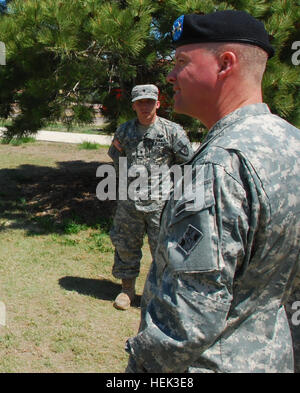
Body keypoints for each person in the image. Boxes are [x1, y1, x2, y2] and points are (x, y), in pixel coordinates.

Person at [125, 10, 300, 372]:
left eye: (182, 61)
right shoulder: (291, 142)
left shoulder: (218, 167)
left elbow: (188, 321)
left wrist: (138, 367)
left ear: (225, 64)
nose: (170, 75)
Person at [108, 84, 194, 310]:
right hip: (130, 204)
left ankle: (161, 292)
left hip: (161, 204)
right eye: (140, 102)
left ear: (157, 103)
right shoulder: (124, 131)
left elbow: (187, 163)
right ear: (134, 105)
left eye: (149, 101)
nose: (145, 106)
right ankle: (127, 291)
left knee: (164, 249)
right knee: (125, 246)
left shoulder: (172, 131)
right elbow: (117, 159)